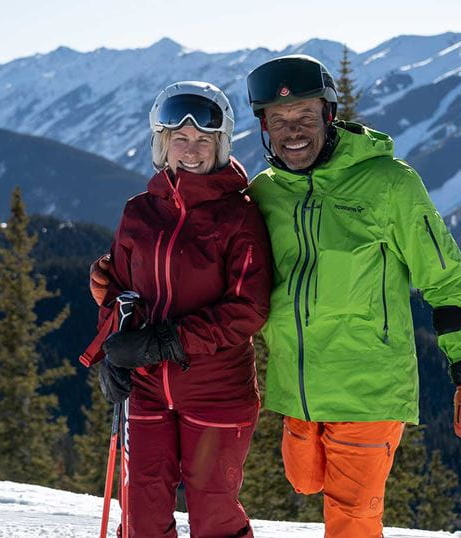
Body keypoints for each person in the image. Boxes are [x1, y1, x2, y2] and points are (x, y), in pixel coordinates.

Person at [243, 54, 461, 537]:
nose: (292, 130)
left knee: (352, 517)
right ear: (264, 127)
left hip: (368, 388)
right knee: (304, 480)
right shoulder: (265, 193)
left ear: (329, 116)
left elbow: (446, 280)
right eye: (279, 120)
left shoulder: (389, 184)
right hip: (296, 387)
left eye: (305, 116)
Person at [81, 81, 272, 538]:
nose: (191, 149)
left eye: (204, 140)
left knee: (214, 514)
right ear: (161, 143)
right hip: (146, 391)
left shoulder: (239, 216)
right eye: (179, 139)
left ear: (220, 146)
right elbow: (121, 294)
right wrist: (111, 353)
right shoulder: (139, 213)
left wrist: (166, 341)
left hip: (217, 391)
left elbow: (248, 308)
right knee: (142, 514)